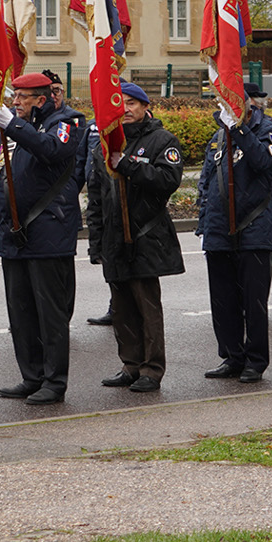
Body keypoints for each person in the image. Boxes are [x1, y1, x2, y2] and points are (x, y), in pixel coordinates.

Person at [0, 70, 84, 405]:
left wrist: (13, 125)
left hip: (49, 232)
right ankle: (31, 376)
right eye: (14, 97)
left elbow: (52, 150)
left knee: (50, 314)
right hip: (13, 234)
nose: (15, 102)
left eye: (22, 98)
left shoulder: (66, 123)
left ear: (41, 99)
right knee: (21, 311)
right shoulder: (12, 129)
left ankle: (54, 381)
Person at [87, 83, 184, 391]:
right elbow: (96, 198)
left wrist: (126, 165)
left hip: (147, 236)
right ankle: (130, 364)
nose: (126, 109)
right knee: (122, 308)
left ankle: (151, 369)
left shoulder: (162, 140)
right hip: (115, 239)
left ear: (145, 107)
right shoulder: (104, 144)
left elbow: (168, 180)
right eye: (121, 104)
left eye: (132, 103)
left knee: (146, 307)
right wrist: (96, 241)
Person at [200, 82, 272, 383]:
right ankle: (232, 356)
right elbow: (207, 182)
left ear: (248, 105)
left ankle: (255, 360)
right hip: (220, 228)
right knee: (223, 301)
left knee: (253, 302)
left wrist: (239, 130)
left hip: (254, 226)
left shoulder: (268, 130)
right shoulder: (217, 138)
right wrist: (204, 221)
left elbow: (264, 163)